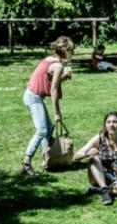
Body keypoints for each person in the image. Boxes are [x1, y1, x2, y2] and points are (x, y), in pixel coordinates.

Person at [19, 36, 75, 177]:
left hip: (33, 95)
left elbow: (49, 83)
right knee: (42, 129)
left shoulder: (50, 59)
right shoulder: (58, 65)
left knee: (48, 128)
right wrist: (57, 113)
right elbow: (54, 90)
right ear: (65, 50)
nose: (72, 53)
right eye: (71, 51)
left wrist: (64, 77)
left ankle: (48, 159)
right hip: (33, 97)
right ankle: (26, 163)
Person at [72, 111, 117, 206]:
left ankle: (101, 190)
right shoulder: (100, 138)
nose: (111, 125)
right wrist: (87, 153)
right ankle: (104, 188)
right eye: (108, 122)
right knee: (94, 159)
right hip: (98, 176)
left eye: (115, 122)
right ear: (105, 125)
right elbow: (76, 156)